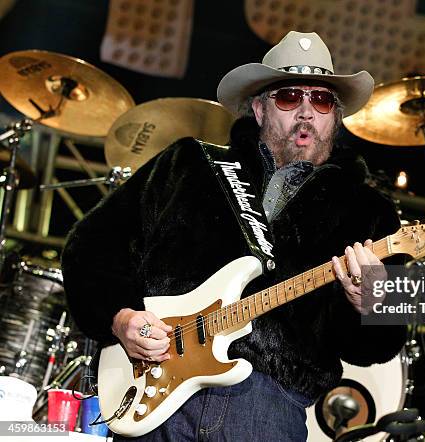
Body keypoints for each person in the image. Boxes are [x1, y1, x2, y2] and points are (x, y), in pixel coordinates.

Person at [62, 31, 407, 441]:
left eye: (321, 99)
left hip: (268, 409)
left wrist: (372, 301)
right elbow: (90, 246)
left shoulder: (368, 213)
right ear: (260, 109)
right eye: (288, 97)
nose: (305, 111)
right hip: (154, 390)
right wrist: (120, 318)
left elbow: (376, 347)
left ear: (334, 115)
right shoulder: (191, 163)